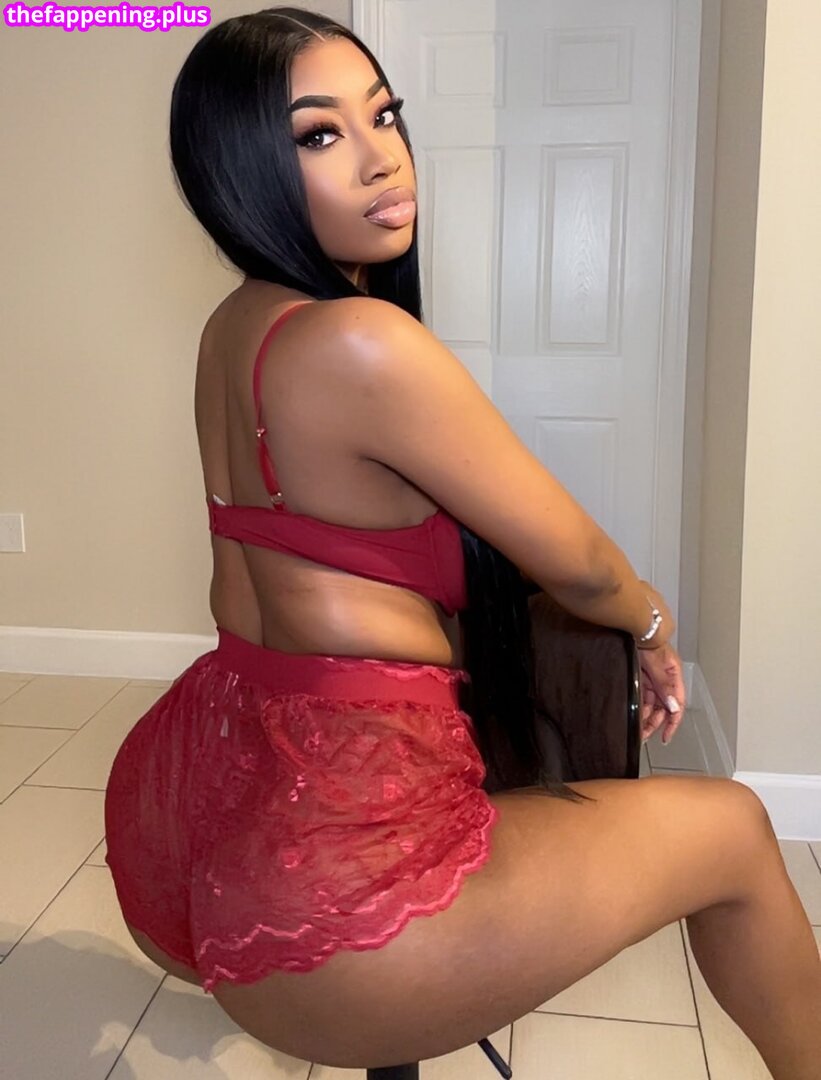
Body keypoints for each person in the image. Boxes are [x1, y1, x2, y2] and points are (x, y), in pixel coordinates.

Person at [103, 7, 821, 1076]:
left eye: (383, 114)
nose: (381, 156)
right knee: (732, 829)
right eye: (319, 134)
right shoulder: (360, 340)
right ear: (239, 168)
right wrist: (652, 626)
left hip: (207, 808)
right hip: (336, 893)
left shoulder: (233, 327)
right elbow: (581, 564)